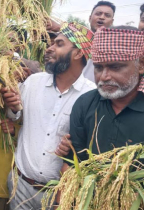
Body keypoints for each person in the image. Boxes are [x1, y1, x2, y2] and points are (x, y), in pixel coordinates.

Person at [2, 22, 96, 210]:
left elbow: (95, 145)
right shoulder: (33, 82)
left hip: (62, 194)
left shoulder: (92, 95)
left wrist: (76, 147)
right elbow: (15, 116)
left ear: (78, 53)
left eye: (59, 44)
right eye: (51, 44)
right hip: (22, 187)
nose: (50, 48)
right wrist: (12, 107)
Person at [62, 25, 144, 175]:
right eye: (98, 68)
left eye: (115, 67)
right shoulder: (84, 104)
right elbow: (73, 165)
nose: (104, 77)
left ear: (141, 65)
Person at [83, 1, 116, 82]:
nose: (102, 17)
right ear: (90, 18)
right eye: (98, 14)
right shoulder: (73, 38)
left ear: (112, 21)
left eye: (107, 15)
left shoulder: (114, 43)